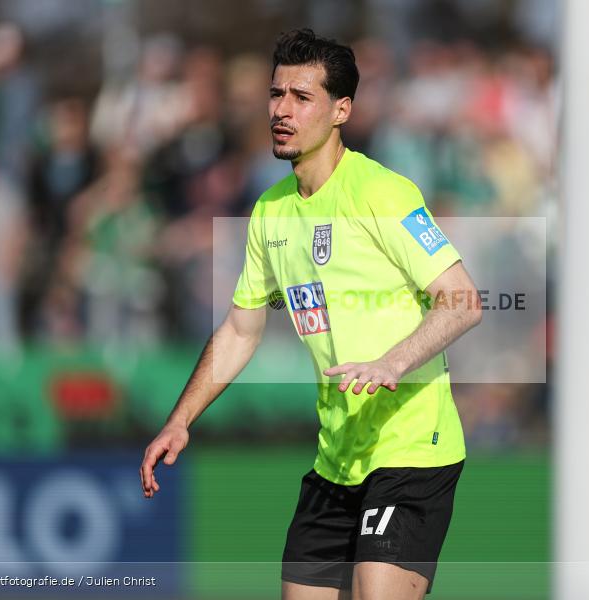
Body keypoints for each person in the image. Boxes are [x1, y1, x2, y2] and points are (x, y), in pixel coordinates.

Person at [139, 29, 482, 600]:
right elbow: (240, 330)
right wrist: (181, 419)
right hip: (334, 459)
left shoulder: (384, 193)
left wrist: (392, 362)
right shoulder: (270, 212)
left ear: (341, 109)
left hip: (412, 450)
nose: (281, 110)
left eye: (302, 97)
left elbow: (463, 300)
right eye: (276, 95)